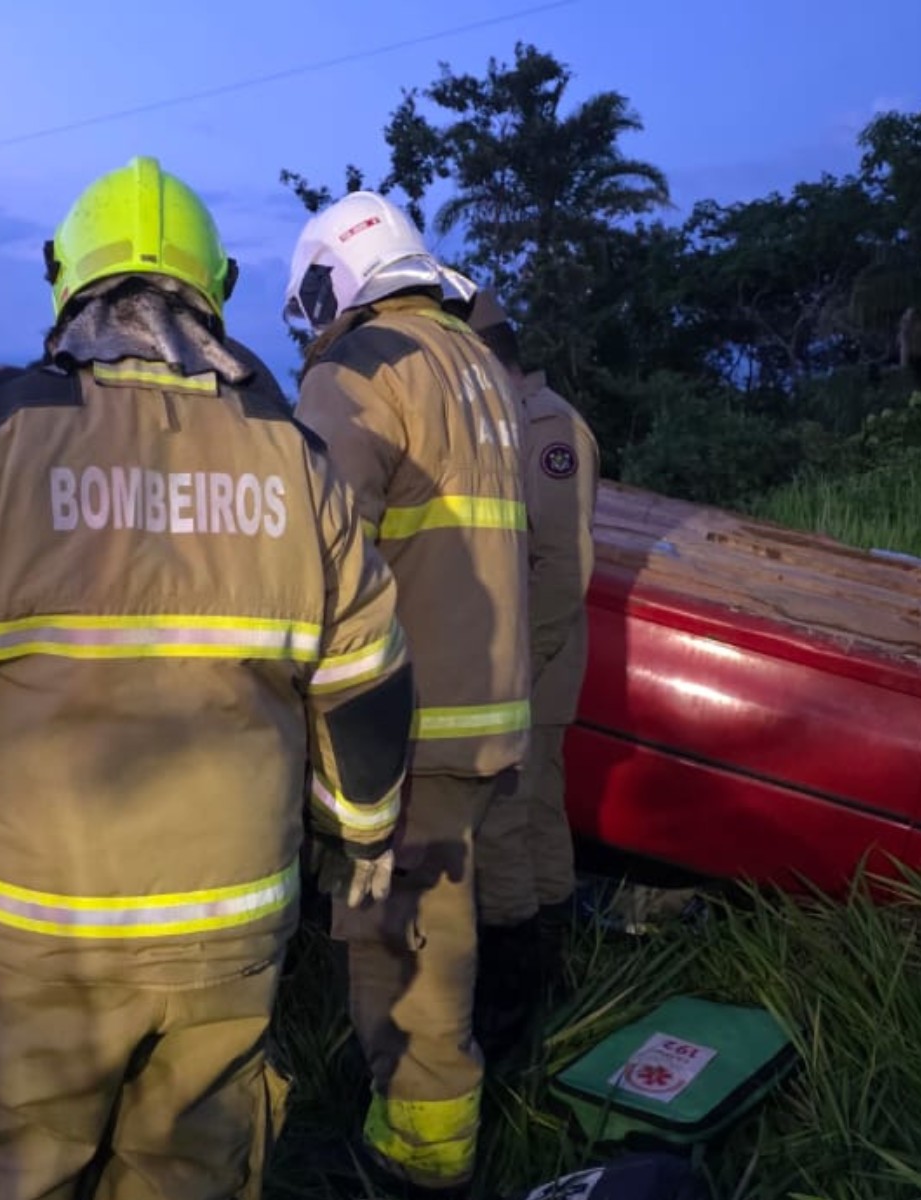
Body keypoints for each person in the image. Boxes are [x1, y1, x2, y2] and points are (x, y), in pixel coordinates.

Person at [0, 156, 414, 1200]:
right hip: (230, 932)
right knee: (189, 1175)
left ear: (65, 278)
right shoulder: (296, 463)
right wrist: (358, 833)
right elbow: (365, 677)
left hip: (34, 938)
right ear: (216, 288)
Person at [287, 194, 532, 1196]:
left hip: (407, 719)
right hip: (485, 711)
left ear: (331, 285)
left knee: (405, 947)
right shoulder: (477, 363)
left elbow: (315, 550)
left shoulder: (361, 369)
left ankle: (418, 1158)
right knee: (438, 924)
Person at [466, 289, 601, 1061]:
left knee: (512, 826)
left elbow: (561, 565)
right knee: (541, 817)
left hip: (532, 668)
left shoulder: (546, 428)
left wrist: (522, 663)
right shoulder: (510, 423)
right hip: (525, 663)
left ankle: (519, 999)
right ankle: (553, 978)